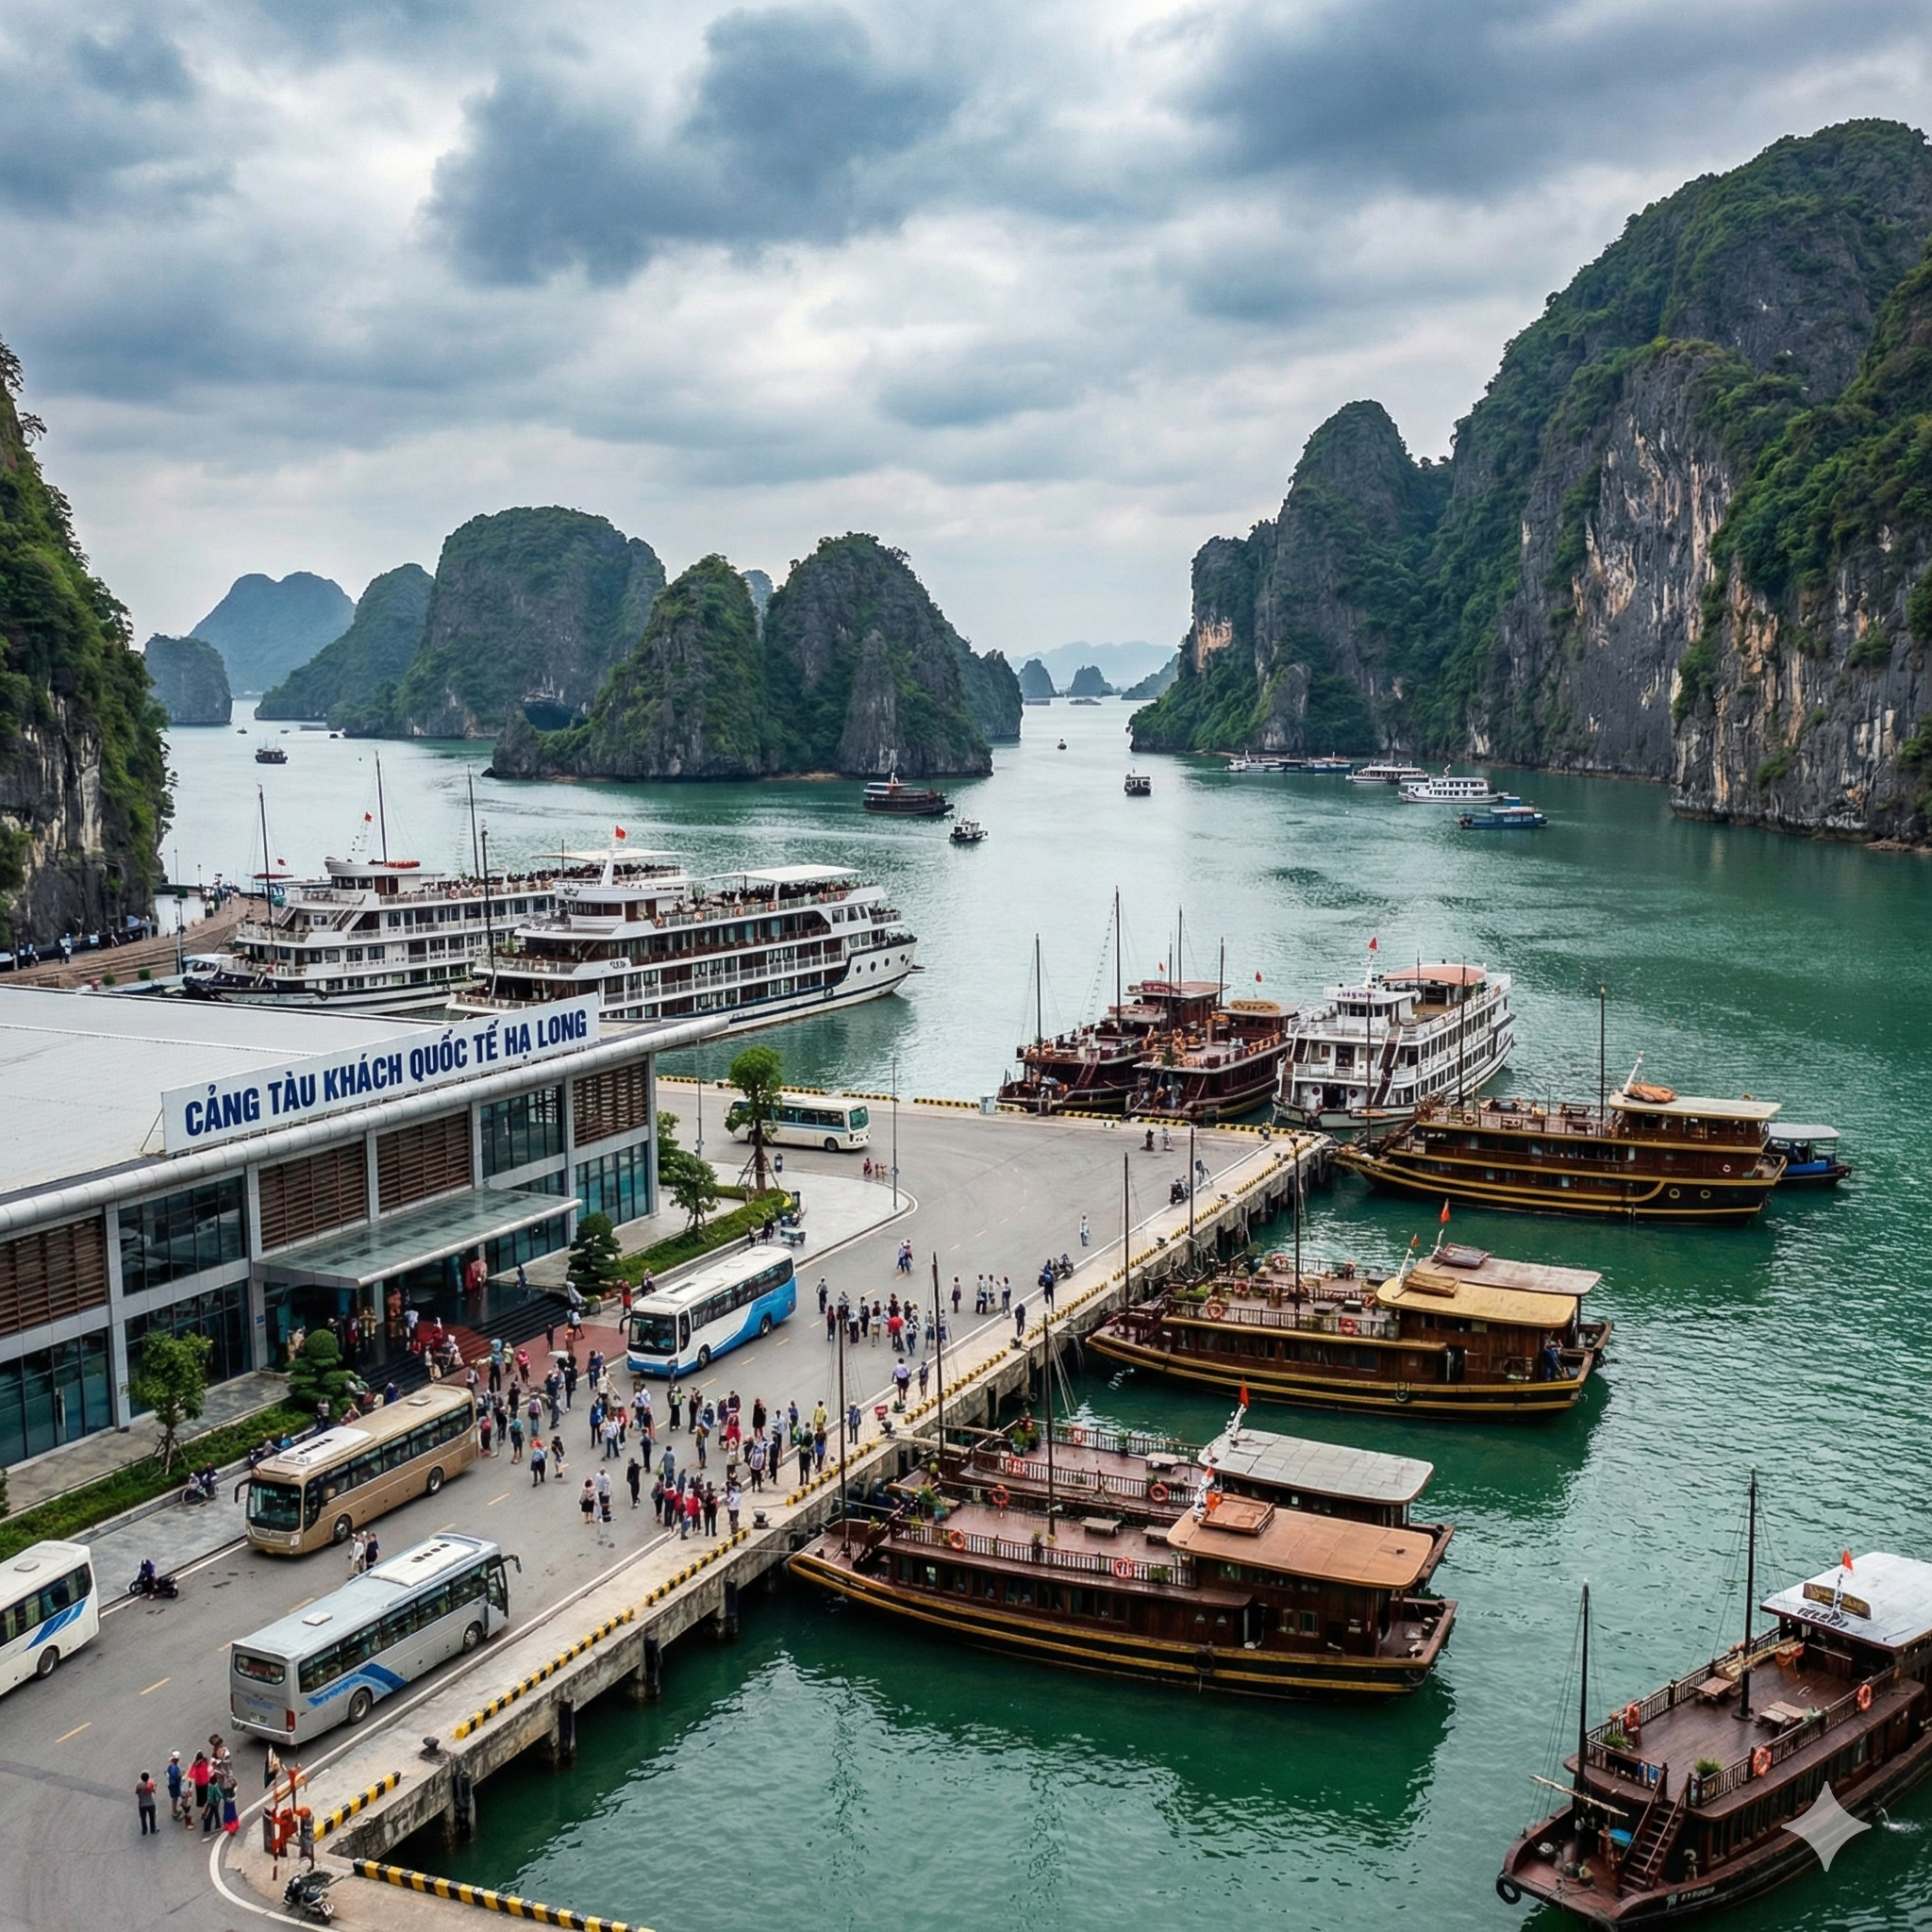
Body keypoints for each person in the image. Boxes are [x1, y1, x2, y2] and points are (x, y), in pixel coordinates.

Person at [166, 1752, 186, 1824]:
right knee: (174, 1799)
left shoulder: (171, 1766)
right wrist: (180, 1775)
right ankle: (174, 1812)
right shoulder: (174, 1768)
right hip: (174, 1786)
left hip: (173, 1785)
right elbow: (175, 1778)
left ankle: (175, 1810)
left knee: (175, 1798)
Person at [137, 1770, 158, 1836]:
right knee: (152, 1817)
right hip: (150, 1803)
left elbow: (136, 1792)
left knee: (143, 1817)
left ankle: (144, 1830)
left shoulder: (139, 1785)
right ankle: (153, 1829)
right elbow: (154, 1790)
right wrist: (154, 1785)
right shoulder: (150, 1784)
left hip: (142, 1803)